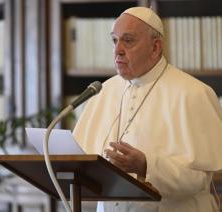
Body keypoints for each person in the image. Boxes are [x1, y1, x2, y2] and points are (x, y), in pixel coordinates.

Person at [73, 6, 222, 212]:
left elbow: (199, 178)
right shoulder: (104, 91)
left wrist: (146, 165)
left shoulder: (193, 93)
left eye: (128, 40)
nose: (117, 50)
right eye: (114, 40)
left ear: (156, 47)